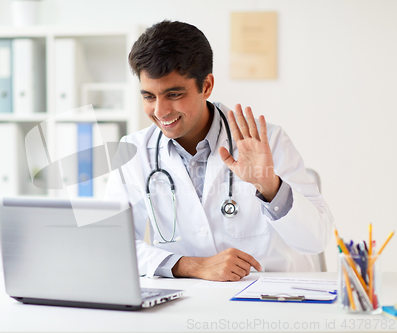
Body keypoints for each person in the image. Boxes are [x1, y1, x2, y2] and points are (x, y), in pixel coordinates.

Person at [104, 20, 333, 281]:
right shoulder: (133, 151)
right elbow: (110, 244)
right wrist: (190, 265)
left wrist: (270, 185)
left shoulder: (267, 140)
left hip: (271, 298)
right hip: (187, 301)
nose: (160, 111)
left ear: (207, 86)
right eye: (149, 97)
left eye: (174, 94)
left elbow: (317, 240)